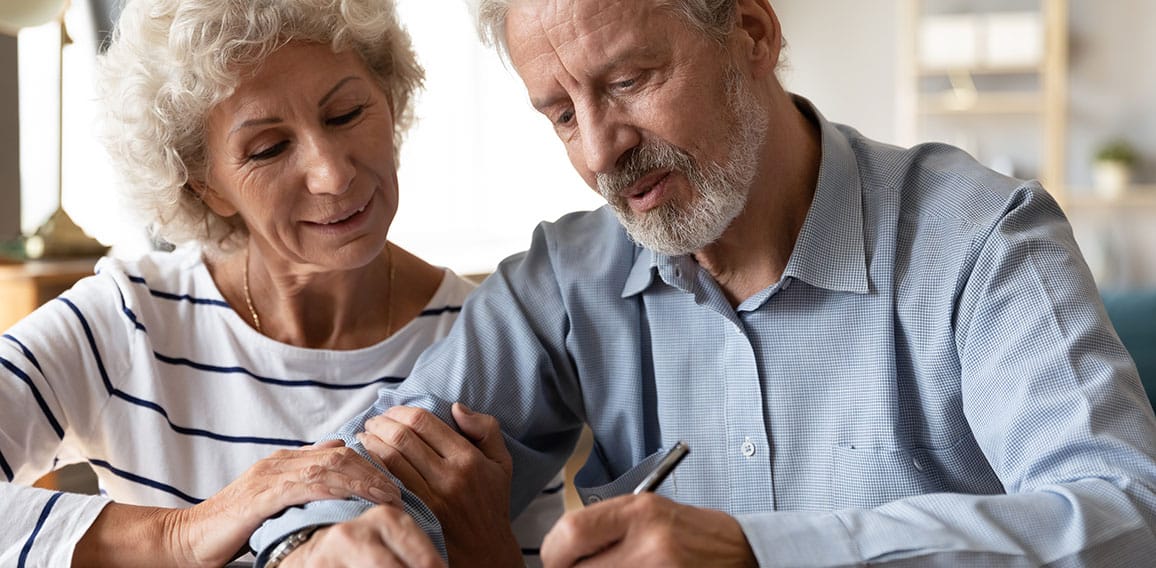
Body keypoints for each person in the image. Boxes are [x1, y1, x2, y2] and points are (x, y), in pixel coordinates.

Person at [253, 0, 1156, 565]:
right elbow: (357, 467)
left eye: (630, 80)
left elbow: (1129, 522)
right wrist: (317, 545)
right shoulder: (567, 281)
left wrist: (757, 554)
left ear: (752, 35)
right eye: (561, 113)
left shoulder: (982, 239)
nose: (601, 148)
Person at [0, 0, 562, 565]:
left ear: (389, 100)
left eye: (345, 114)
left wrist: (484, 547)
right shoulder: (127, 320)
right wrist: (185, 533)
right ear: (205, 186)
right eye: (268, 149)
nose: (332, 172)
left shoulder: (495, 339)